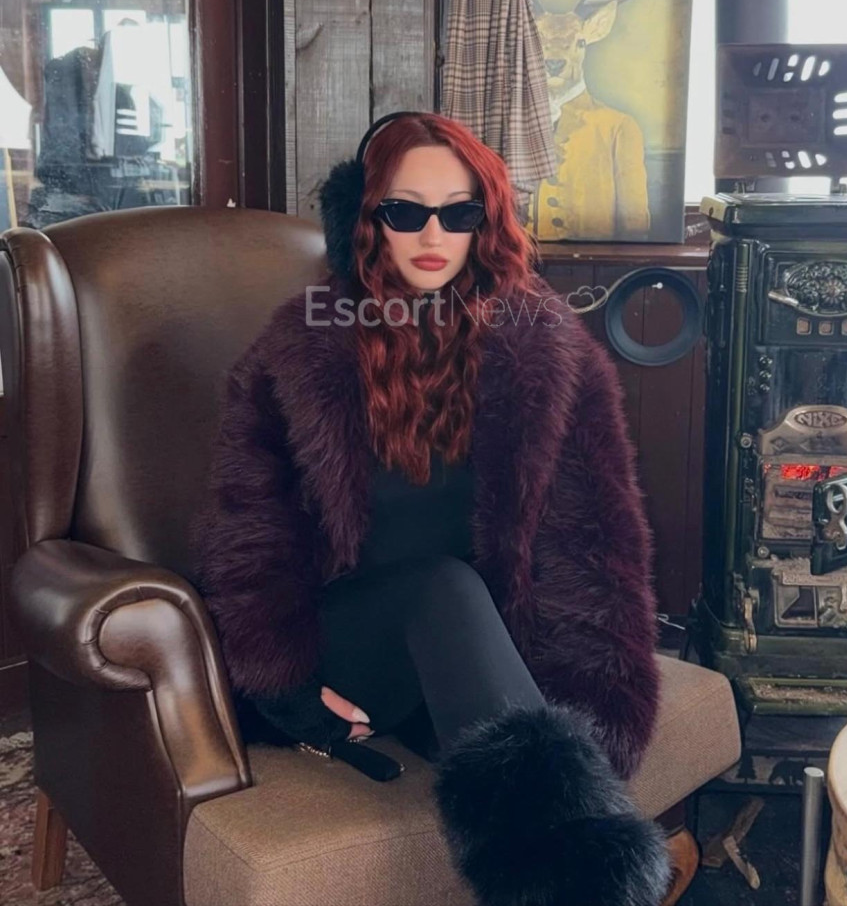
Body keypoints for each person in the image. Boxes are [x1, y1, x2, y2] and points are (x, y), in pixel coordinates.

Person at [189, 111, 670, 906]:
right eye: (405, 211)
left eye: (459, 211)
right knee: (440, 586)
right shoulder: (297, 351)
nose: (433, 234)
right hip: (346, 650)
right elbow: (249, 532)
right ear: (365, 218)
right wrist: (283, 682)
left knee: (465, 615)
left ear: (488, 221)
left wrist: (597, 705)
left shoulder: (551, 352)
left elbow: (596, 545)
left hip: (470, 655)